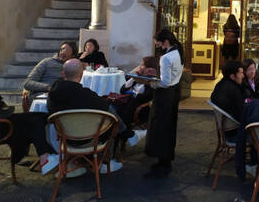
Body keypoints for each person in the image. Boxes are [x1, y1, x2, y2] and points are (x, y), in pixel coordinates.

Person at [47, 58, 139, 173]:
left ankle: (71, 162)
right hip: (89, 140)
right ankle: (105, 163)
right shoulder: (87, 95)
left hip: (63, 139)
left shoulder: (52, 93)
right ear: (81, 75)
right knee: (110, 117)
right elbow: (106, 108)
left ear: (63, 73)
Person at [136, 29, 184, 178]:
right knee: (169, 127)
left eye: (158, 42)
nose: (156, 45)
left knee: (159, 127)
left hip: (164, 96)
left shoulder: (166, 58)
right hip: (174, 94)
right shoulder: (178, 53)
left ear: (166, 42)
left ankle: (162, 161)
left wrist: (150, 82)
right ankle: (166, 159)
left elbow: (164, 82)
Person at [116, 56, 157, 138]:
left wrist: (132, 93)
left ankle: (122, 134)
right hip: (129, 105)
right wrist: (133, 78)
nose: (140, 67)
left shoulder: (152, 81)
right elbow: (122, 90)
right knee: (116, 109)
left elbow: (145, 97)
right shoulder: (138, 77)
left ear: (149, 69)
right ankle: (120, 133)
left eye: (142, 65)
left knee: (124, 110)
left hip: (141, 109)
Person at [210, 61, 246, 143]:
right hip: (234, 133)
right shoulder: (234, 90)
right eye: (241, 73)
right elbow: (241, 116)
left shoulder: (219, 85)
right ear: (232, 76)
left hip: (224, 129)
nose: (243, 76)